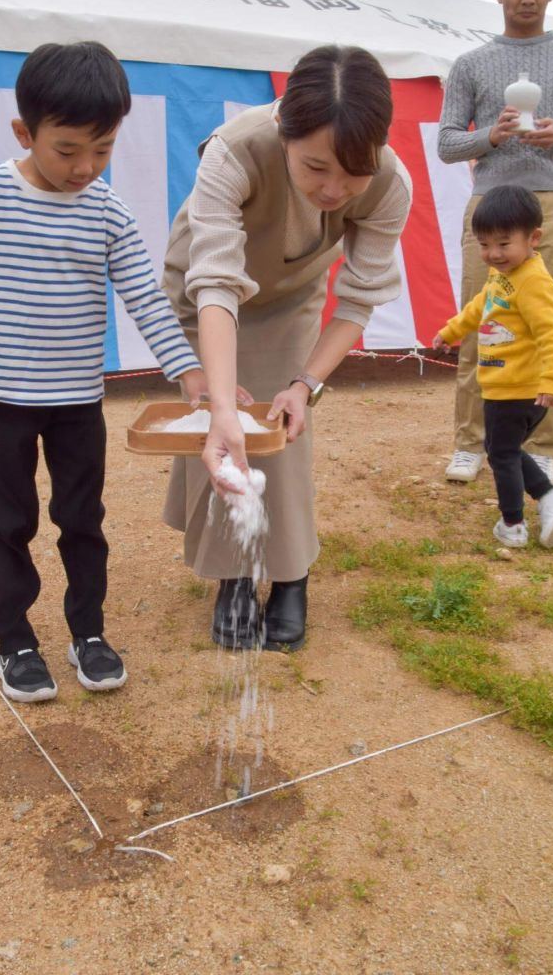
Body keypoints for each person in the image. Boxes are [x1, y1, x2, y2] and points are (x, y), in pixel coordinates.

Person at [0, 42, 203, 702]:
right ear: (25, 133)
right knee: (10, 522)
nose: (86, 167)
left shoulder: (107, 212)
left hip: (77, 401)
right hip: (0, 398)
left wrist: (189, 371)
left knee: (82, 518)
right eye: (68, 150)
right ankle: (15, 638)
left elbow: (145, 295)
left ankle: (89, 632)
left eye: (103, 150)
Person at [163, 45, 413, 651]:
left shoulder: (389, 183)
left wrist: (306, 384)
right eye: (315, 167)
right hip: (206, 288)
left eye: (353, 172)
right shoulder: (235, 148)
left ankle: (292, 572)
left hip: (292, 289)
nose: (334, 189)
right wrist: (222, 401)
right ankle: (234, 575)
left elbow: (357, 299)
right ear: (283, 129)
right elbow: (217, 280)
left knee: (279, 429)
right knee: (221, 426)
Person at [437, 0, 553, 485]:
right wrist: (488, 137)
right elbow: (447, 144)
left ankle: (543, 446)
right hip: (492, 207)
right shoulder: (471, 63)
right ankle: (471, 443)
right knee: (481, 322)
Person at [433, 186, 553, 548]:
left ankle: (512, 524)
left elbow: (552, 334)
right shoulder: (503, 275)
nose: (492, 254)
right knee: (502, 449)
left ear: (534, 238)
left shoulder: (533, 281)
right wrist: (451, 331)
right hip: (501, 385)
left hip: (520, 388)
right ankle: (548, 495)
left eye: (503, 244)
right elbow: (481, 306)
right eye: (484, 245)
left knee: (501, 454)